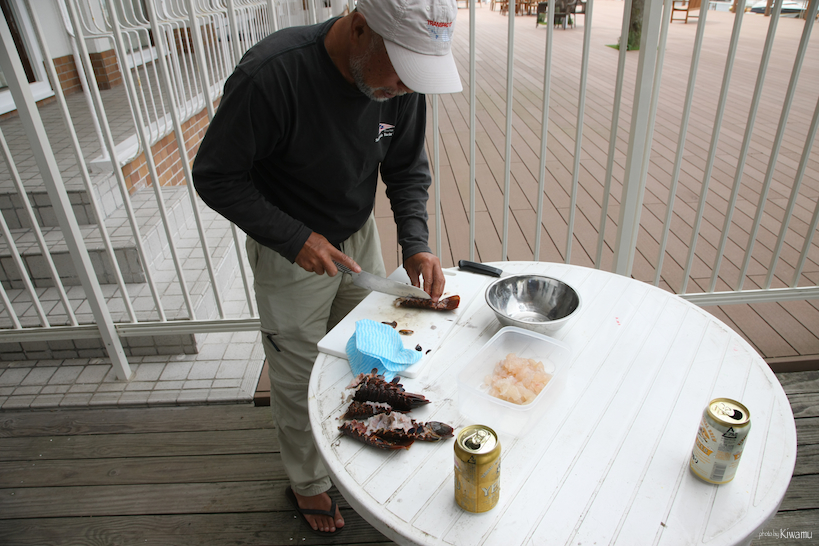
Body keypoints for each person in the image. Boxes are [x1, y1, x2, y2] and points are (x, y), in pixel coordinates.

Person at [192, 0, 462, 536]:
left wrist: (416, 243)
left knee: (371, 357)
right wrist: (294, 237)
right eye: (400, 73)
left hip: (357, 238)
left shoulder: (402, 83)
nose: (405, 89)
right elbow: (214, 175)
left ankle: (357, 453)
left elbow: (406, 168)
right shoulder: (272, 76)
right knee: (297, 380)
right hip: (289, 252)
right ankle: (308, 482)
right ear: (360, 28)